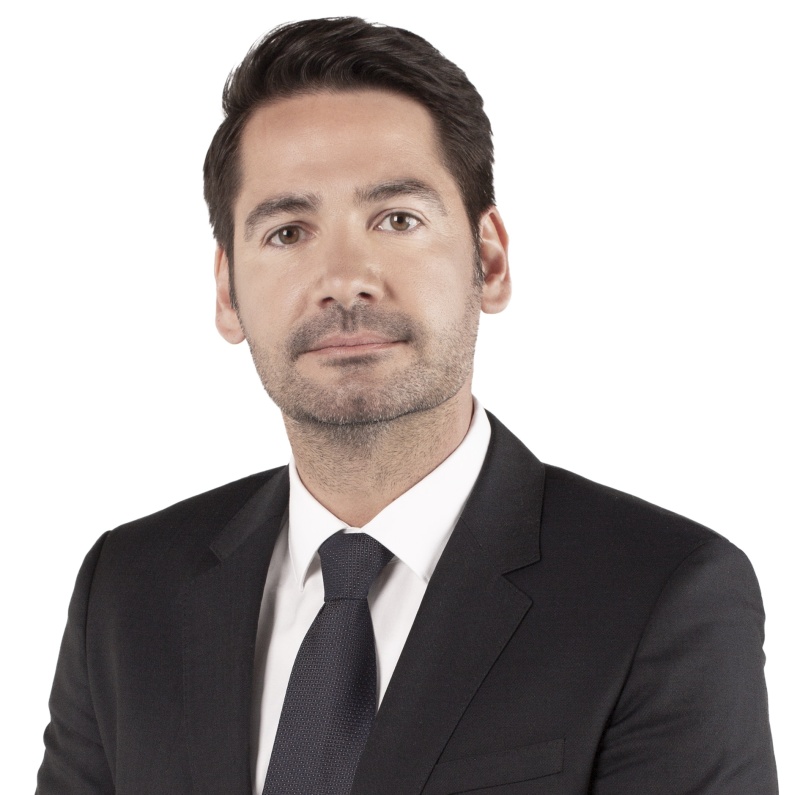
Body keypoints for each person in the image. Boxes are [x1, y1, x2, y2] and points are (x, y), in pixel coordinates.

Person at [37, 17, 778, 795]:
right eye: (288, 231)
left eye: (397, 219)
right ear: (227, 292)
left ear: (489, 260)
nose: (344, 278)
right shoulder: (127, 591)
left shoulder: (662, 594)